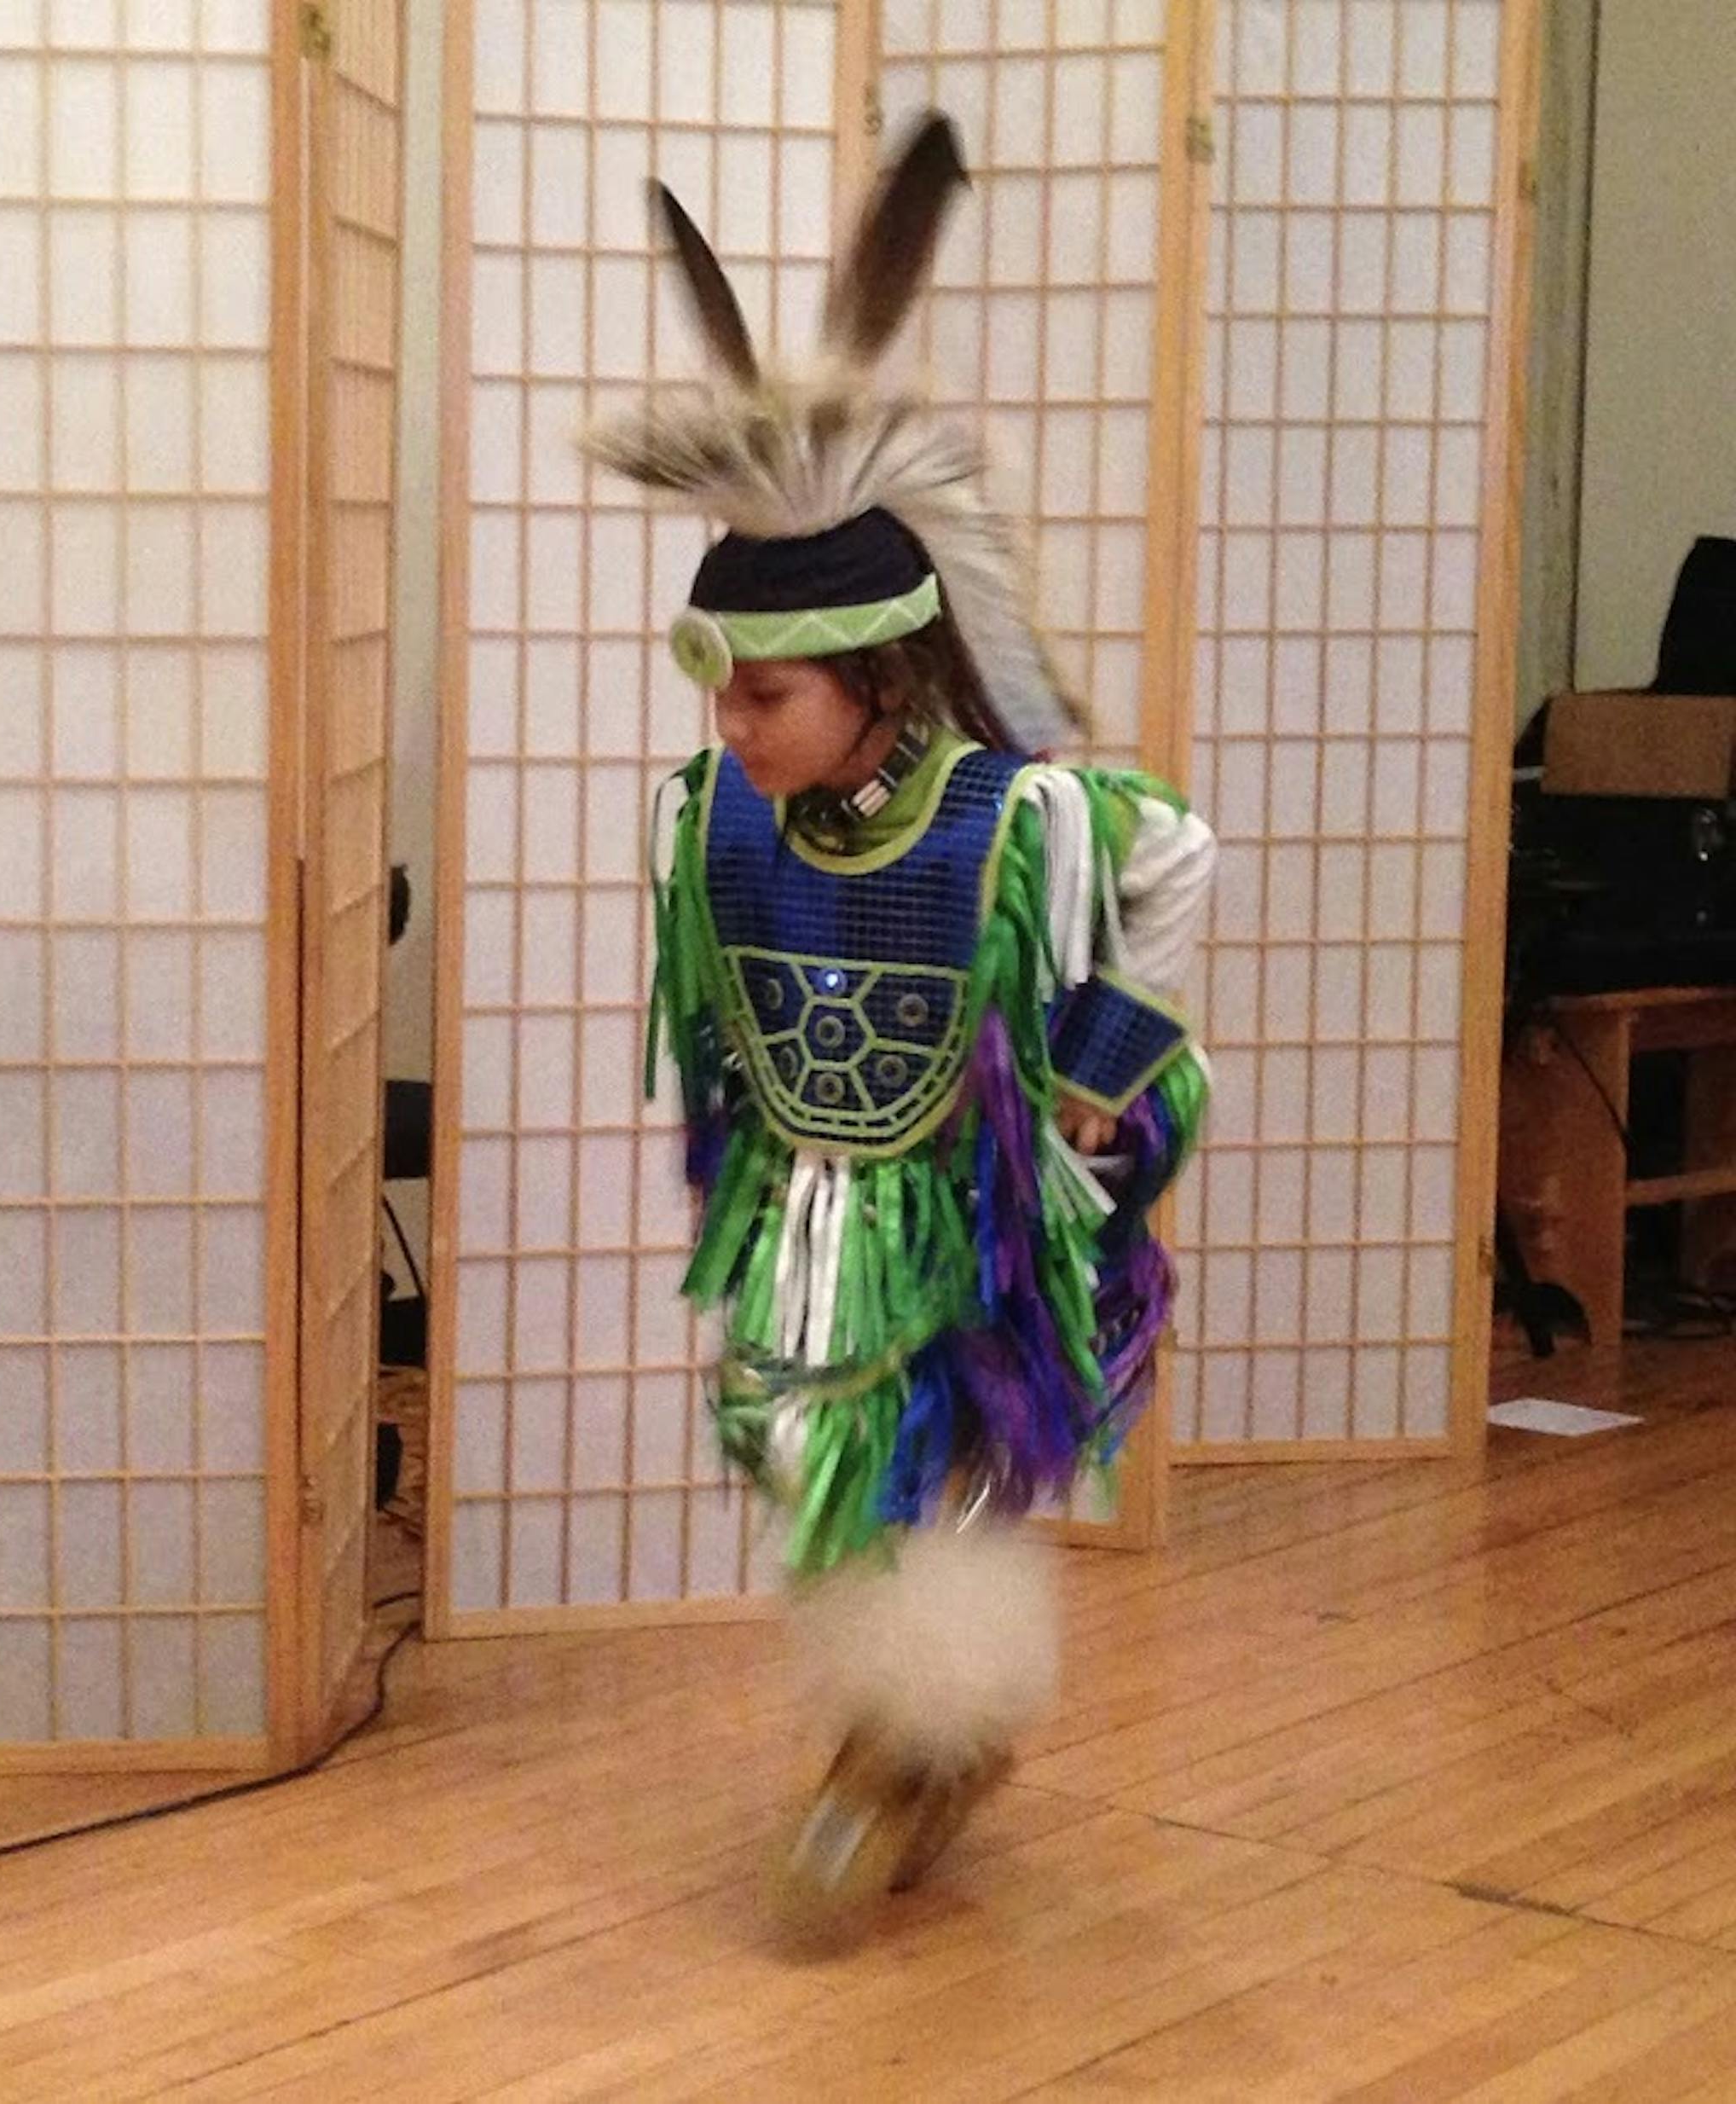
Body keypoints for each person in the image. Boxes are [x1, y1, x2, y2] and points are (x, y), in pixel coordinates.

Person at [583, 112, 1215, 1945]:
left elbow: (1179, 858)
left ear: (873, 671)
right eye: (725, 695)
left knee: (929, 1454)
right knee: (811, 1442)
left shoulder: (1013, 819)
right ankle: (917, 1723)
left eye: (768, 696)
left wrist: (1096, 1078)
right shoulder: (713, 823)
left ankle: (910, 1735)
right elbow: (726, 1014)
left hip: (978, 1196)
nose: (735, 733)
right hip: (814, 1203)